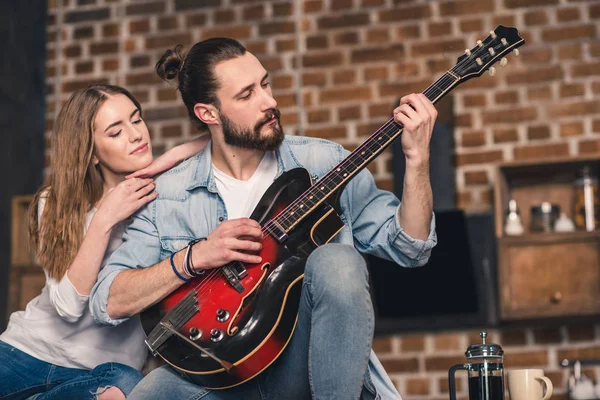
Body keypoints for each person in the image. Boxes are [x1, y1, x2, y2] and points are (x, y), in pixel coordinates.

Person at [90, 38, 438, 400]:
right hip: (218, 379)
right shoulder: (170, 195)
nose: (269, 102)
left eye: (265, 84)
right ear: (208, 113)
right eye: (247, 95)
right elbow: (108, 300)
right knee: (151, 393)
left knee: (338, 260)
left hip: (302, 368)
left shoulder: (325, 163)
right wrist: (194, 258)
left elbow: (411, 248)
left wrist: (417, 161)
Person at [0, 84, 209, 400]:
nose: (137, 134)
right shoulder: (57, 202)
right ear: (92, 153)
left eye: (136, 120)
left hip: (103, 373)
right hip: (24, 353)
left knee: (126, 385)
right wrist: (103, 219)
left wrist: (173, 156)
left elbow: (221, 139)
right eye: (116, 132)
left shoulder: (163, 202)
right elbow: (67, 306)